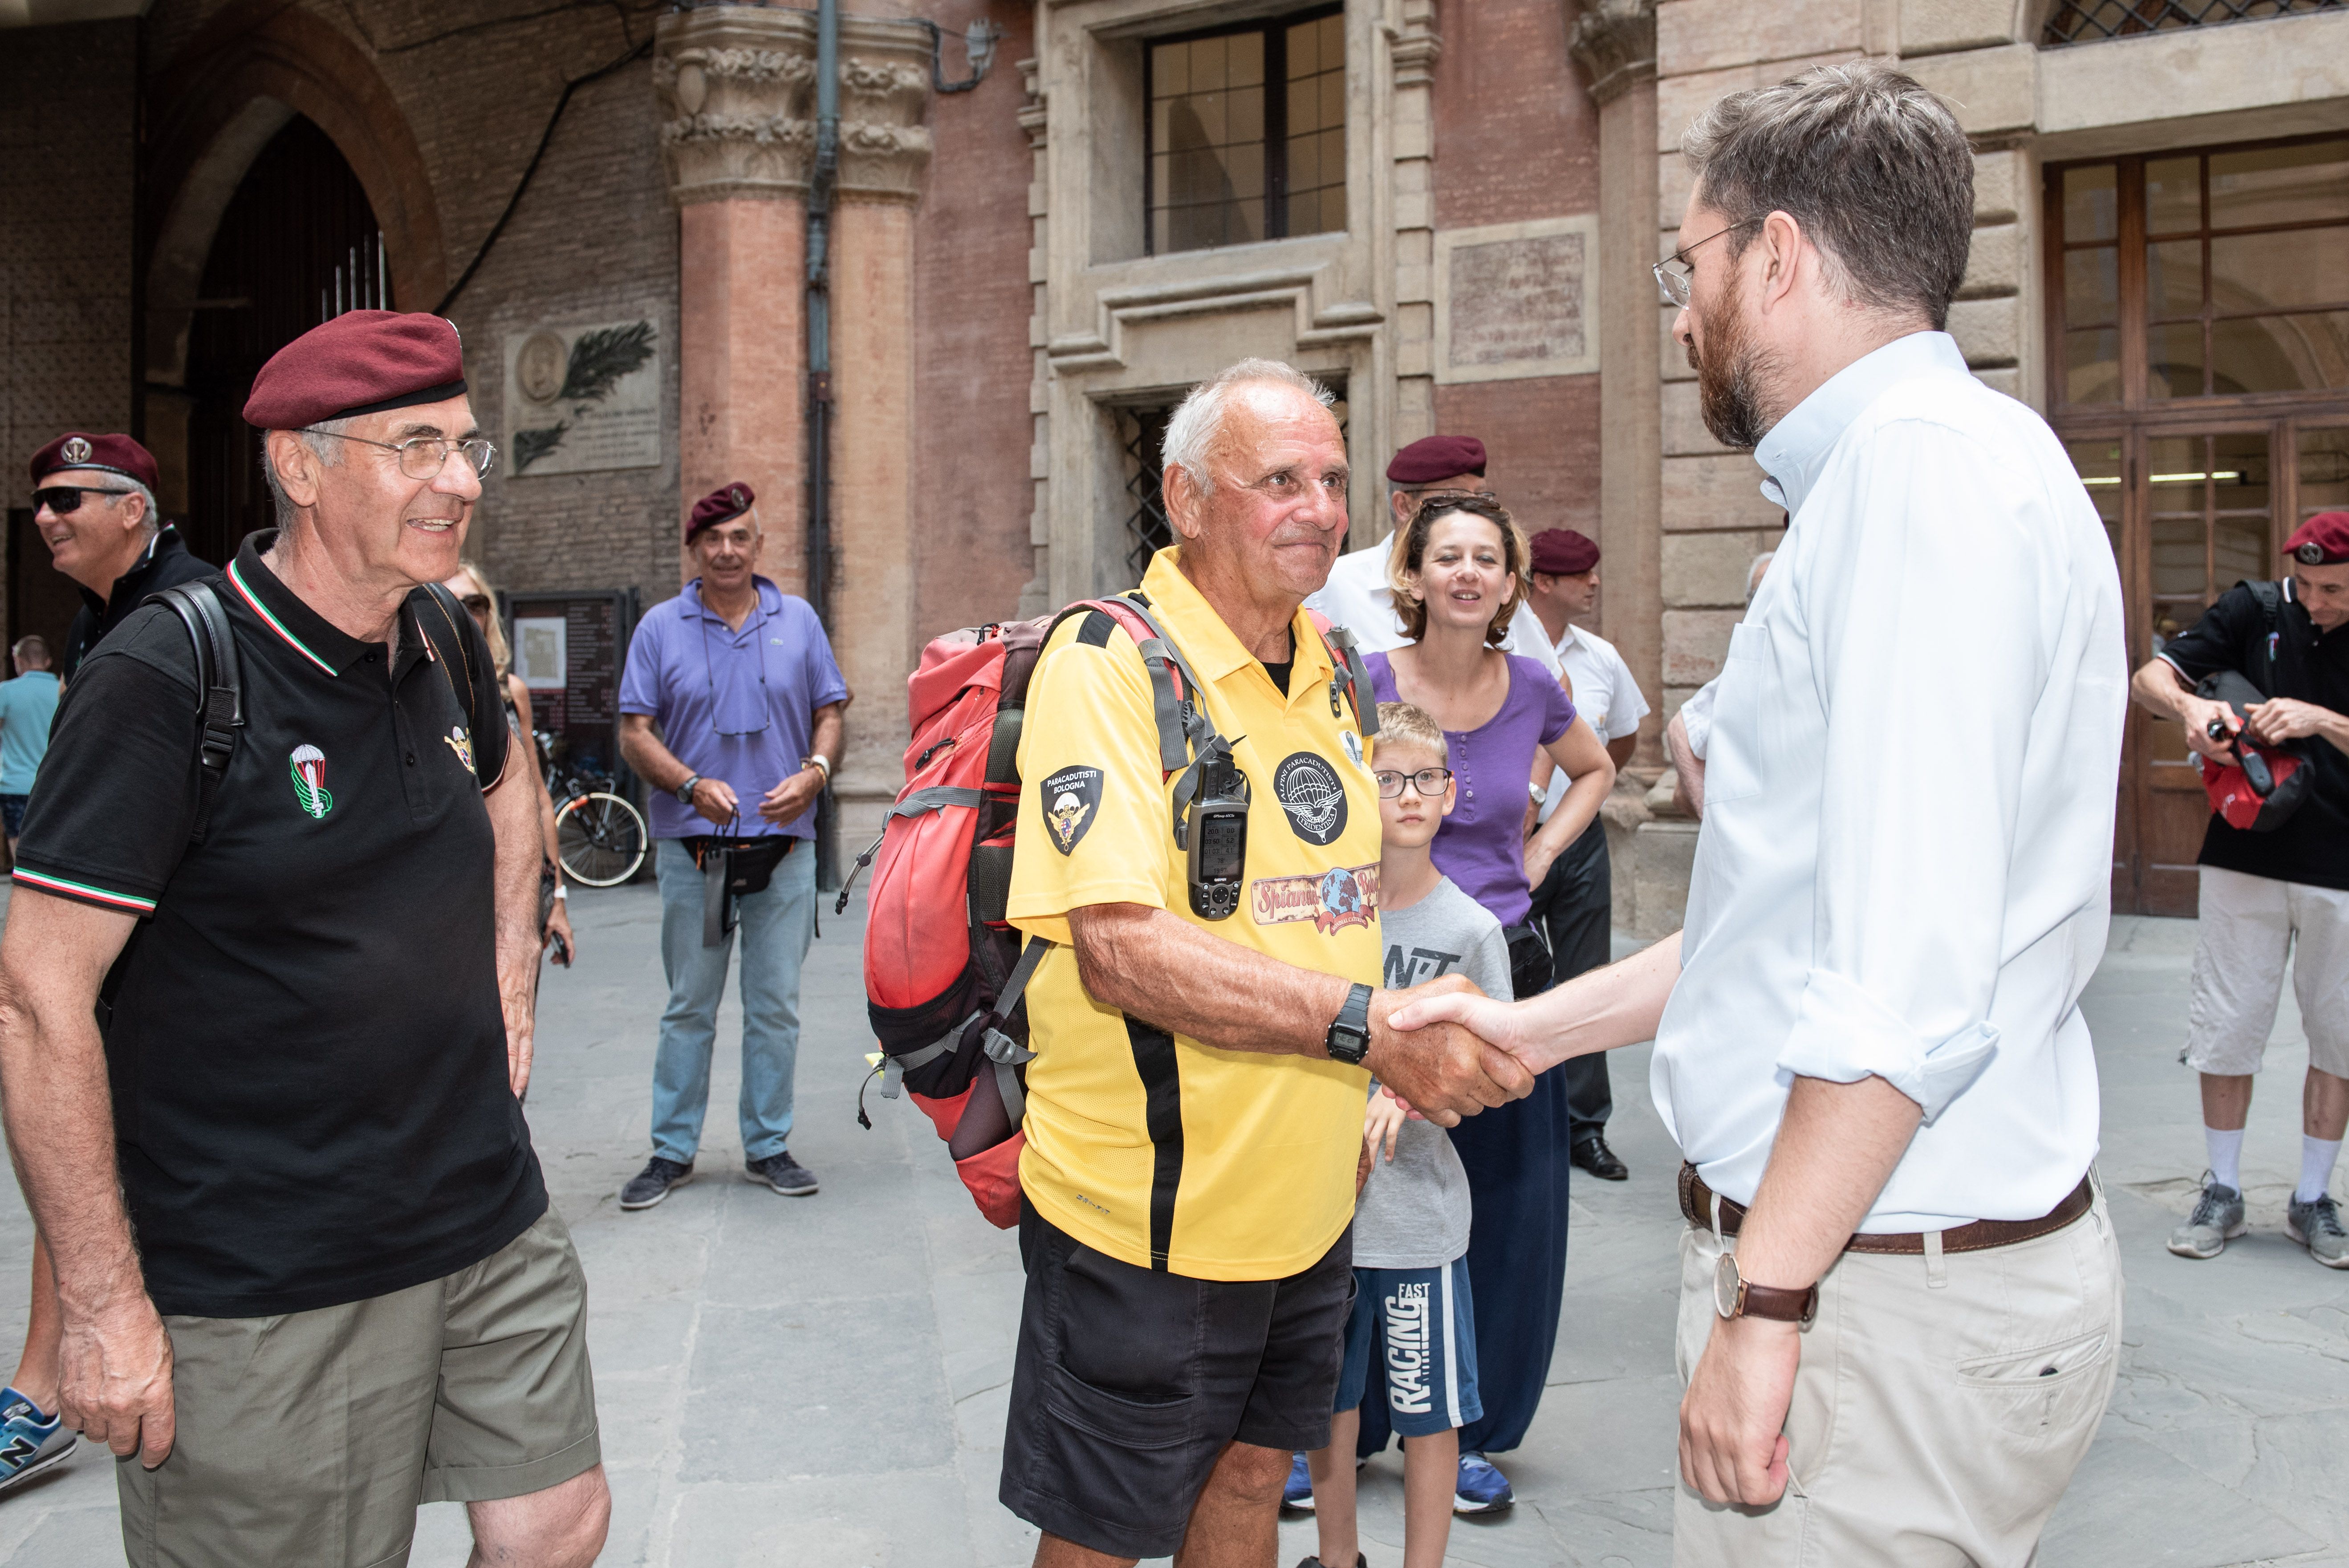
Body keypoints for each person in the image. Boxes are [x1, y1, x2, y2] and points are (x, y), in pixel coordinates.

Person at [1392, 62, 2128, 1565]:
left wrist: (1768, 1302)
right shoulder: (1920, 472)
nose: (1678, 314)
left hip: (1872, 1303)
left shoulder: (1913, 490)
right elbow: (1786, 923)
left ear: (1777, 257)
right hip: (1891, 1282)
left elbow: (1898, 979)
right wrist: (1523, 1033)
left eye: (1690, 263)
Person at [0, 309, 609, 1566]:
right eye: (414, 447)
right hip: (270, 1272)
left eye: (463, 447)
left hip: (481, 1213)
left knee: (556, 1524)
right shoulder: (169, 677)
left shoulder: (437, 629)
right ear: (299, 464)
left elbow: (506, 783)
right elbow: (36, 999)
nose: (456, 480)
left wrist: (511, 976)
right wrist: (102, 1308)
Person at [997, 357, 1530, 1568]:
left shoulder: (1336, 664)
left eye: (1333, 479)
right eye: (1278, 479)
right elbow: (1120, 950)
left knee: (1249, 1483)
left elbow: (1333, 907)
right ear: (1188, 501)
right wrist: (1368, 1027)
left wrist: (1395, 1040)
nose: (1320, 507)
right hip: (1151, 1218)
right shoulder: (1108, 663)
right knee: (1103, 1527)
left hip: (1307, 1209)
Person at [1361, 493, 1615, 1512]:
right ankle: (1332, 1417)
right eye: (1444, 556)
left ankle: (1461, 1425)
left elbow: (1592, 771)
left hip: (1503, 971)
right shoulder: (1362, 681)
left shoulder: (1533, 687)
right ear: (1412, 576)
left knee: (1496, 1221)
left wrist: (1543, 849)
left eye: (1485, 559)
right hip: (1378, 975)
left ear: (1511, 584)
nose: (1465, 573)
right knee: (1352, 1200)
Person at [1297, 702, 1505, 1568]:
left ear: (1450, 795)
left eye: (1424, 778)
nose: (1408, 795)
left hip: (1418, 1224)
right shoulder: (1328, 908)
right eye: (1386, 779)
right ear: (1356, 791)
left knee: (1429, 1412)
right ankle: (1337, 1559)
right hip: (1323, 1219)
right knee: (1326, 1413)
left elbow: (1499, 1073)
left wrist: (1409, 1097)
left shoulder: (1471, 930)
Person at [614, 481, 849, 1210]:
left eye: (739, 537)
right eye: (713, 539)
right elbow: (634, 731)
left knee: (774, 1006)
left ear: (757, 544)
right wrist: (688, 785)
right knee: (689, 1005)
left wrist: (815, 773)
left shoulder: (799, 620)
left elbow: (830, 711)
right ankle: (671, 1150)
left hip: (783, 851)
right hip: (695, 854)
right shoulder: (660, 627)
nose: (726, 550)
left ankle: (768, 1145)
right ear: (695, 549)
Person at [2131, 509, 2349, 1268]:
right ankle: (2221, 1187)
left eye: (2335, 590)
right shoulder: (2254, 608)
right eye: (2310, 585)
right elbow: (2150, 675)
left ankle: (2313, 1198)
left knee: (2339, 1035)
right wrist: (2190, 708)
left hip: (2342, 865)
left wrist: (2323, 719)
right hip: (2242, 853)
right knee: (2227, 1025)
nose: (2317, 602)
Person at [1521, 528, 1650, 1182]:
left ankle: (1583, 1125)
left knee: (1585, 973)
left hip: (1580, 839)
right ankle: (1508, 1117)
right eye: (1581, 573)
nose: (1595, 583)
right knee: (1503, 969)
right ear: (1542, 580)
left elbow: (1622, 741)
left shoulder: (1601, 658)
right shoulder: (1506, 647)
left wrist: (1582, 791)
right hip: (1509, 840)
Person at [1304, 435, 1558, 670]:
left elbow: (1553, 683)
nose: (1471, 512)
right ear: (1403, 505)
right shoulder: (1331, 586)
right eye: (1454, 498)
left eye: (1481, 497)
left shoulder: (1490, 588)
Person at [445, 560, 575, 969]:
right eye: (450, 602)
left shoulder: (511, 691)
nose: (466, 615)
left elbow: (538, 797)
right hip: (446, 894)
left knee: (517, 1020)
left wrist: (556, 898)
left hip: (516, 885)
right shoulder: (410, 688)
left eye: (476, 604)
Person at [27, 432, 211, 681]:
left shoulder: (197, 598)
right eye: (40, 503)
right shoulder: (90, 617)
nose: (42, 518)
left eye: (64, 499)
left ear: (131, 510)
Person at [1664, 549, 1773, 818]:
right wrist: (1716, 826)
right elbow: (1683, 729)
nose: (1768, 604)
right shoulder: (1749, 667)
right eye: (1759, 596)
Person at [0, 636, 58, 856]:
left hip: (14, 783)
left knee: (18, 844)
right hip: (52, 783)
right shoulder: (64, 692)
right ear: (48, 661)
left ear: (19, 660)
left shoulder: (6, 692)